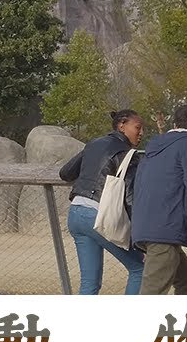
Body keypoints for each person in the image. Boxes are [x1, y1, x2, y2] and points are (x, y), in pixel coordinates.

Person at [58, 110, 146, 295]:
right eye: (137, 127)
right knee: (140, 269)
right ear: (121, 125)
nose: (141, 133)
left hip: (76, 213)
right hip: (99, 216)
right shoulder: (128, 154)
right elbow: (130, 197)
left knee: (89, 284)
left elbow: (65, 173)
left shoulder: (94, 143)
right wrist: (139, 237)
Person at [130, 103, 187, 295]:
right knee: (152, 292)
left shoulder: (155, 146)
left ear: (174, 124)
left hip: (144, 224)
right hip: (165, 227)